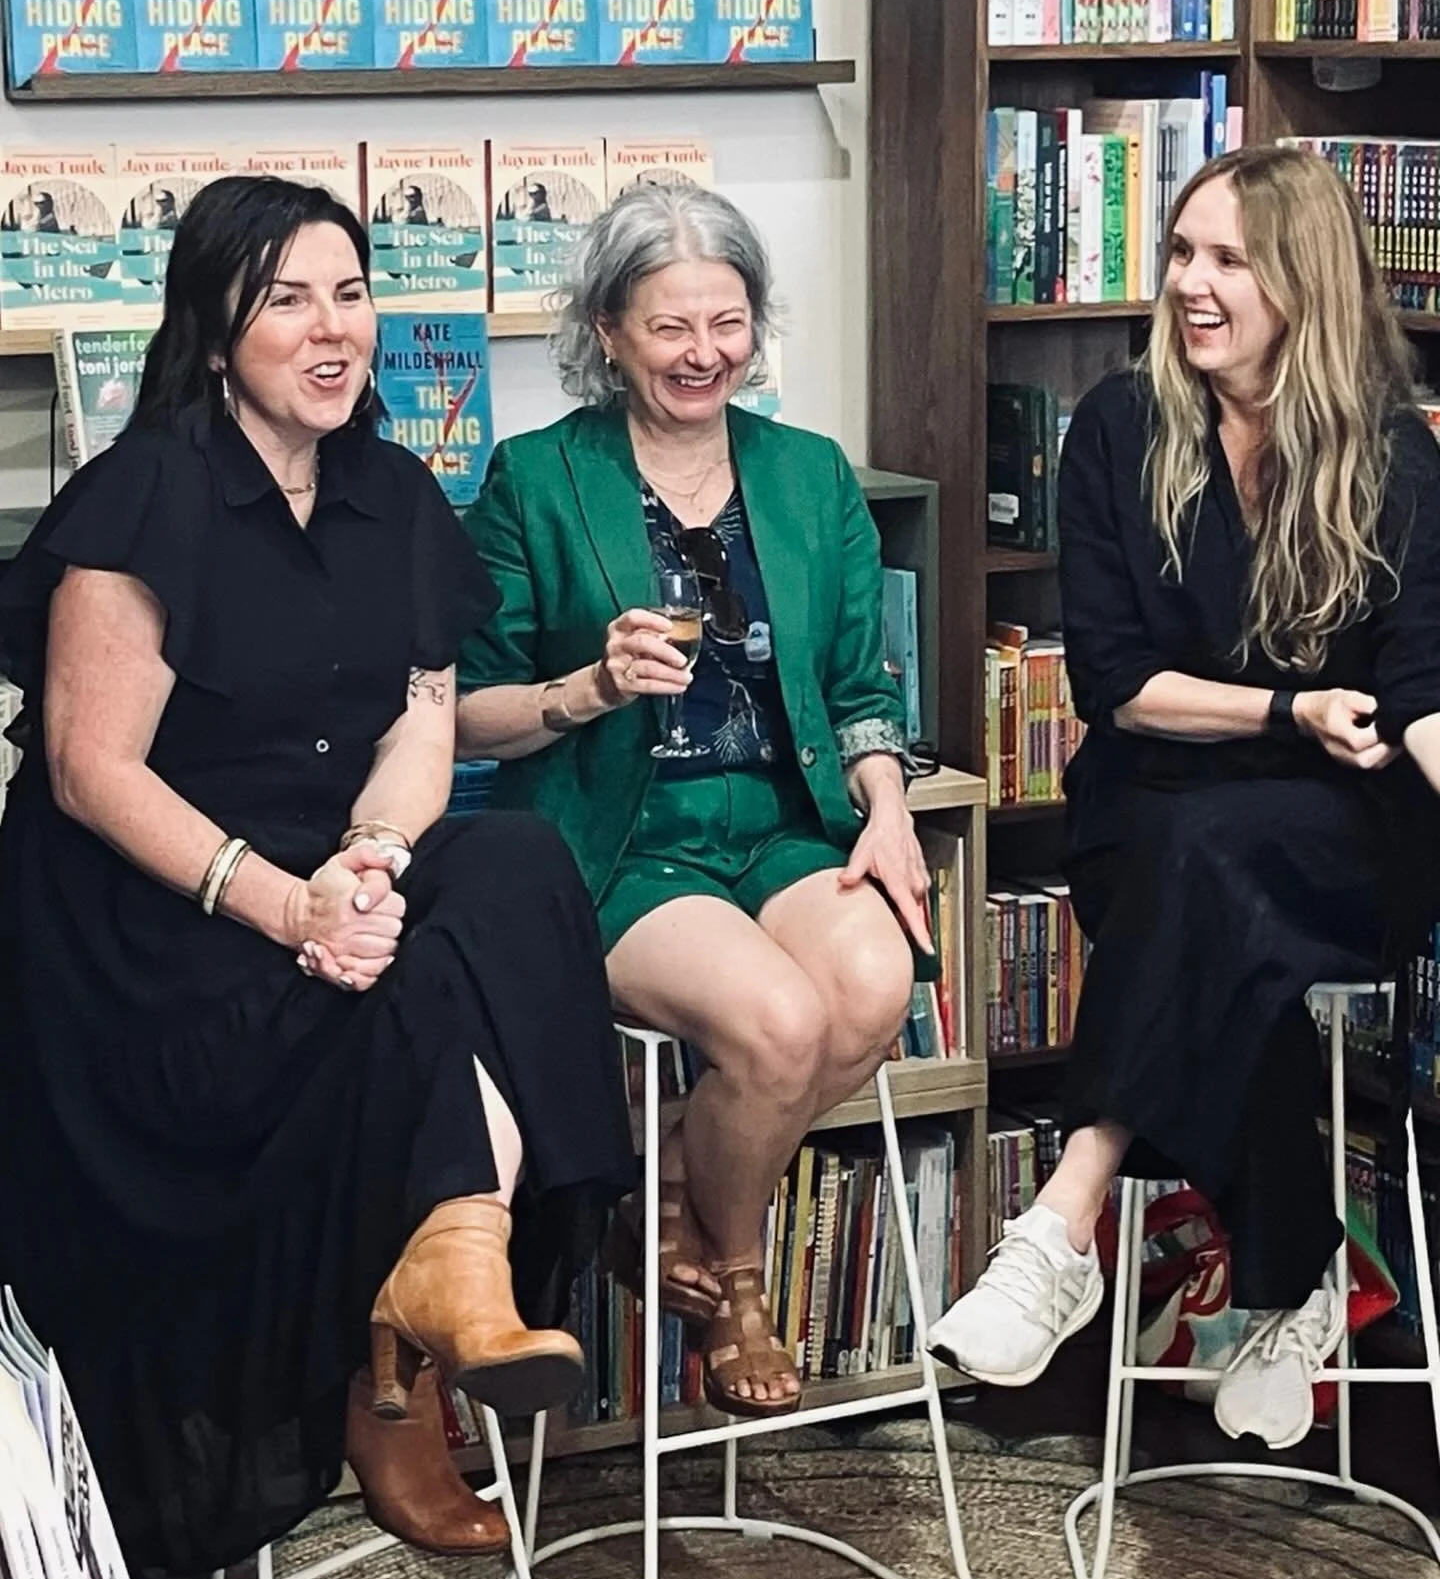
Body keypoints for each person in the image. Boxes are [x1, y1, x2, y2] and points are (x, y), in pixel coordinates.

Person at [0, 174, 636, 1579]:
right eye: (288, 298)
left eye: (350, 293)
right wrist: (290, 905)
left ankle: (449, 1266)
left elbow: (424, 715)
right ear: (218, 331)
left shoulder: (391, 490)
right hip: (147, 923)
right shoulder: (148, 490)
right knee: (407, 988)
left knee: (513, 866)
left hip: (321, 872)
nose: (332, 327)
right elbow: (88, 771)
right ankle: (397, 1358)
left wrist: (372, 864)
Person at [928, 143, 1440, 1453]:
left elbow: (1425, 688)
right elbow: (1116, 685)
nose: (1190, 285)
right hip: (1152, 803)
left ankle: (1063, 1221)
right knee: (1206, 885)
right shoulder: (1120, 425)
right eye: (1180, 253)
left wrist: (1354, 734)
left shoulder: (1392, 450)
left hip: (1347, 830)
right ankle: (1303, 1279)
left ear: (1302, 281)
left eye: (1227, 259)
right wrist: (1286, 710)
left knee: (1213, 883)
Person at [455, 183, 934, 1419]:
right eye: (671, 328)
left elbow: (857, 685)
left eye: (728, 322)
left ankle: (657, 1194)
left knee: (876, 984)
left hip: (782, 821)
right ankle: (738, 1281)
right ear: (609, 329)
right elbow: (469, 710)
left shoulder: (809, 474)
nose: (705, 353)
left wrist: (885, 812)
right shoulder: (539, 479)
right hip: (624, 842)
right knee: (777, 1024)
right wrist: (591, 685)